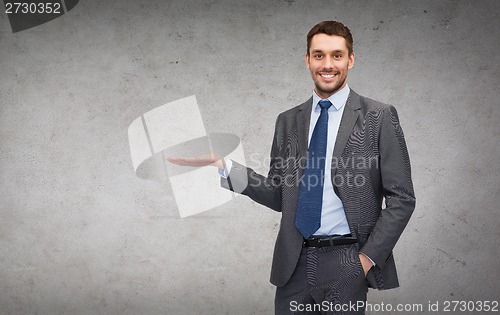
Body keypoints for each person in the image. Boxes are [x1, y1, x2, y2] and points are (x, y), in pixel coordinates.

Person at [168, 20, 415, 315]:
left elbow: (402, 198)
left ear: (351, 59)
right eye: (319, 55)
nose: (328, 64)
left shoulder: (379, 116)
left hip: (347, 262)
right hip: (293, 263)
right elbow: (278, 195)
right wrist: (224, 165)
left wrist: (366, 259)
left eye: (337, 55)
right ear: (307, 60)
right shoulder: (288, 121)